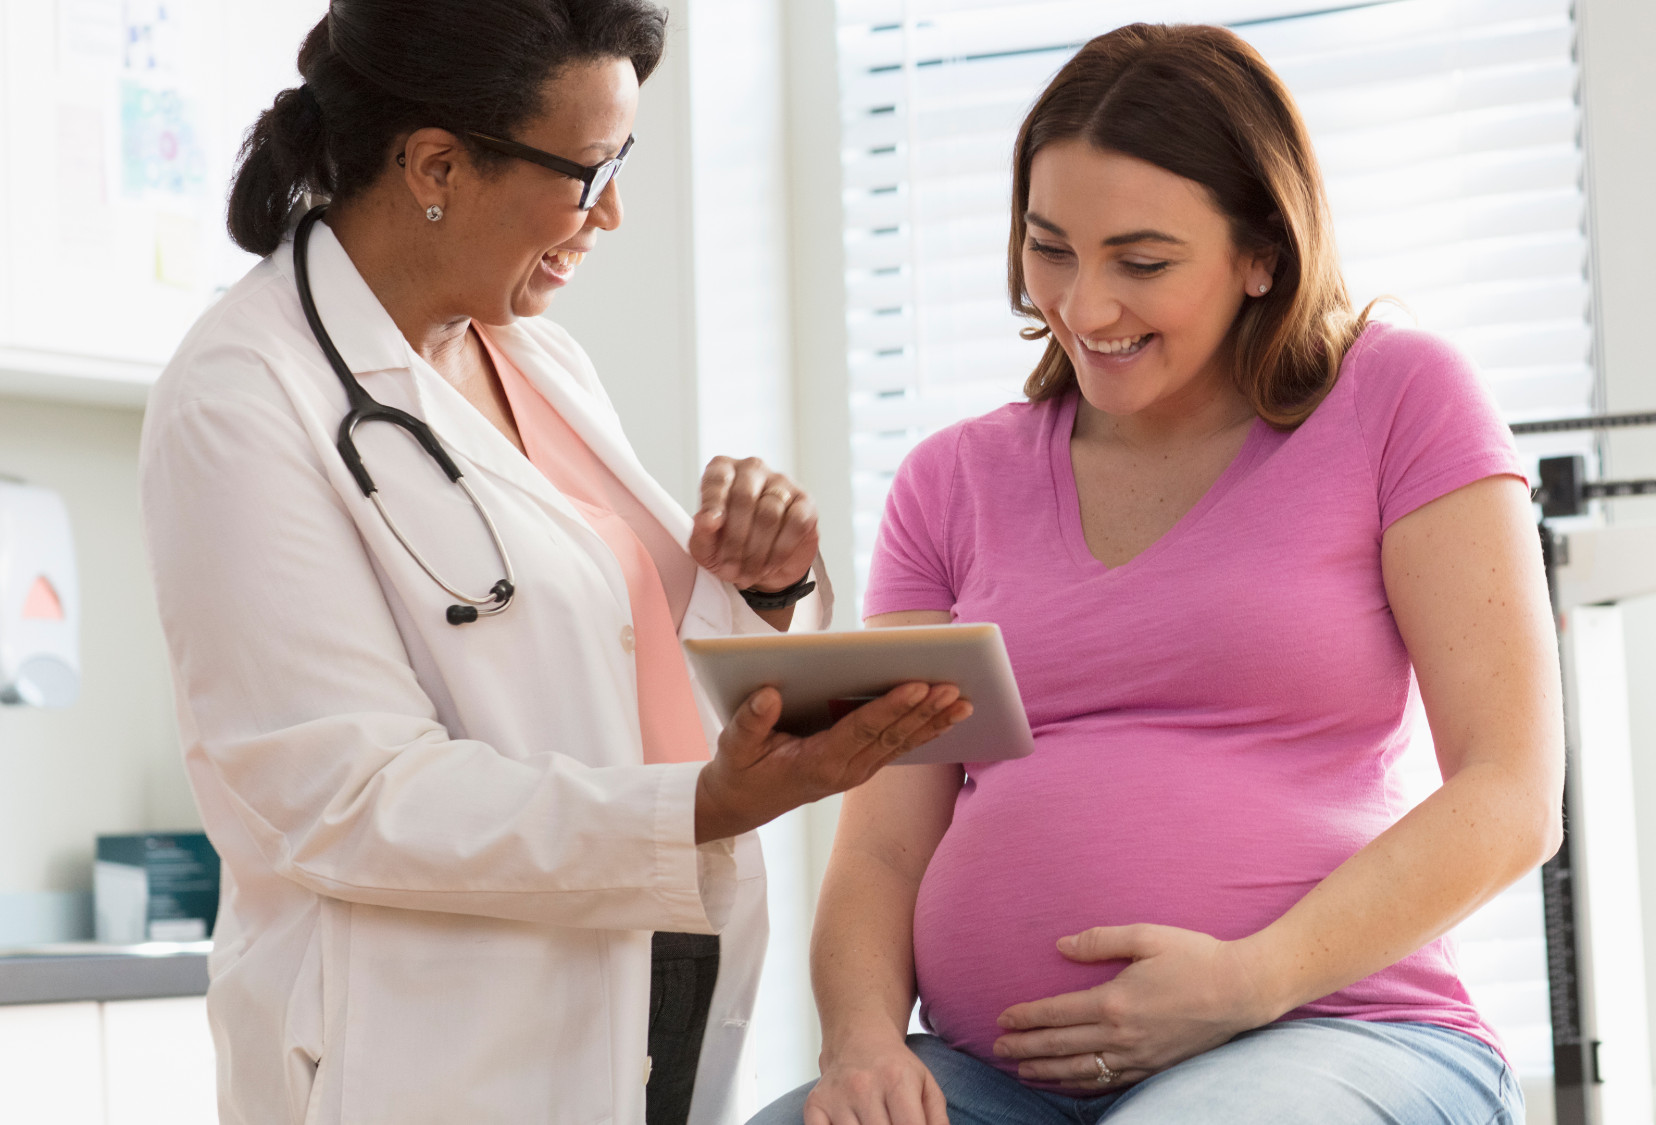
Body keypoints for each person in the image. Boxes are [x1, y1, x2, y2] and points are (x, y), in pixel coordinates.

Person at [138, 3, 970, 1124]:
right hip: (438, 1042)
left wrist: (760, 588)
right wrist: (697, 808)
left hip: (655, 968)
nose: (612, 211)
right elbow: (341, 794)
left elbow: (624, 672)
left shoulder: (536, 353)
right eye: (587, 171)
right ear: (436, 162)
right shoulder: (243, 396)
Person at [751, 22, 1563, 1125]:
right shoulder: (951, 480)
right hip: (992, 1079)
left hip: (1332, 1031)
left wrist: (1245, 982)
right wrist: (856, 1047)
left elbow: (1510, 794)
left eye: (1141, 262)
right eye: (1050, 249)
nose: (1084, 307)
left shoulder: (1397, 400)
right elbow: (886, 841)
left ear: (1260, 253)